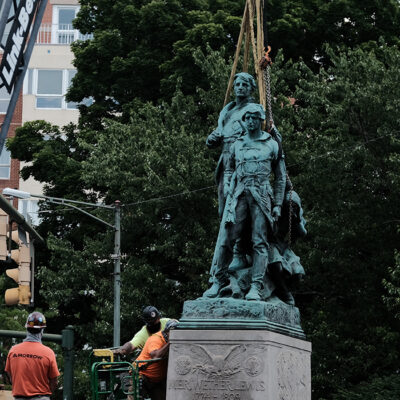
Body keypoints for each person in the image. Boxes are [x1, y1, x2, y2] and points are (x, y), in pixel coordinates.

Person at [205, 103, 287, 301]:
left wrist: (277, 204)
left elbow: (281, 177)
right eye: (247, 118)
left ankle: (256, 286)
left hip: (261, 197)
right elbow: (230, 168)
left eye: (254, 118)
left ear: (260, 120)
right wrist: (229, 189)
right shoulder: (238, 144)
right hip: (240, 194)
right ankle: (218, 281)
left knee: (259, 241)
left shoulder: (272, 143)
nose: (250, 121)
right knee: (227, 238)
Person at [5, 311, 60, 400]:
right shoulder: (48, 353)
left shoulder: (13, 351)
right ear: (42, 330)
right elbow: (54, 381)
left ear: (27, 328)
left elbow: (10, 375)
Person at [135, 319, 179, 400]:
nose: (176, 335)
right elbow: (155, 356)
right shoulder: (156, 339)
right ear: (166, 331)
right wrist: (170, 342)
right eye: (173, 332)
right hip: (142, 375)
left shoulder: (175, 343)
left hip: (156, 380)